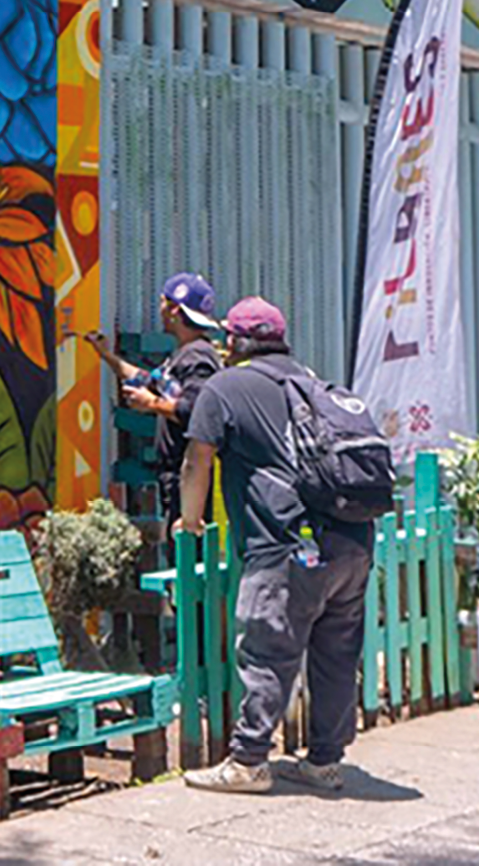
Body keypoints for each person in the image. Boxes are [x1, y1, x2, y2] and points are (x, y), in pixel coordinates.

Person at [181, 297, 373, 796]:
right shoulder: (312, 382)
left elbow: (197, 459)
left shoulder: (224, 387)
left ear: (236, 341)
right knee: (335, 656)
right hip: (352, 542)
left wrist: (190, 519)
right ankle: (326, 761)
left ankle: (248, 761)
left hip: (288, 544)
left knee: (268, 649)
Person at [84, 272, 223, 531]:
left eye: (163, 302)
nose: (159, 310)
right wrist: (107, 356)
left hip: (188, 476)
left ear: (174, 310)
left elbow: (195, 412)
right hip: (176, 477)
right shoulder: (183, 354)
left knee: (186, 554)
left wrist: (151, 405)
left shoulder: (198, 358)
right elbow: (149, 380)